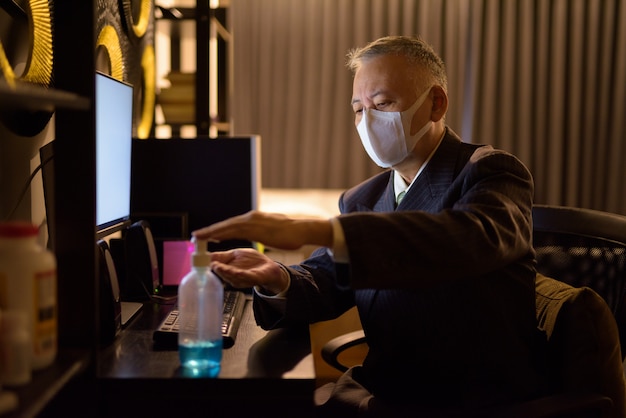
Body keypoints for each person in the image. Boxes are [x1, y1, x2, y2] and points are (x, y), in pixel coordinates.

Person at [193, 35, 544, 416]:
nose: (367, 120)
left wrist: (319, 230)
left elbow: (467, 240)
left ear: (435, 103)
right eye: (359, 109)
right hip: (387, 388)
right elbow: (327, 280)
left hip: (472, 398)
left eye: (382, 104)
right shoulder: (363, 197)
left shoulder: (490, 171)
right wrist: (276, 278)